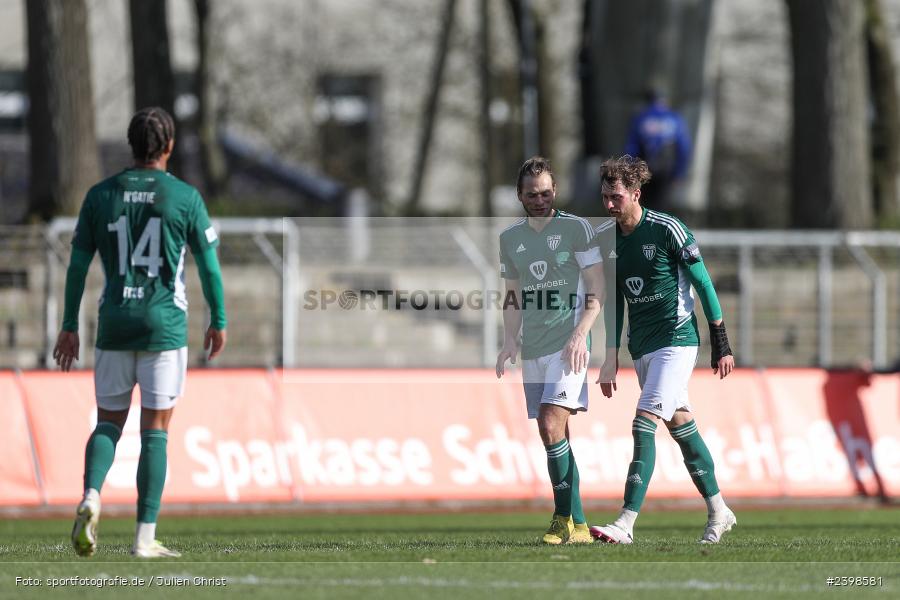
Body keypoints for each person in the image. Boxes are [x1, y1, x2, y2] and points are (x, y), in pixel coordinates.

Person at [53, 107, 227, 558]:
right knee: (156, 430)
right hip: (162, 326)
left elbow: (76, 265)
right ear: (168, 146)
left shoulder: (100, 195)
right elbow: (208, 266)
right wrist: (219, 318)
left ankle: (91, 496)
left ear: (132, 145)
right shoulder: (184, 197)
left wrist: (69, 324)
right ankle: (143, 538)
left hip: (114, 322)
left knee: (108, 422)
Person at [591, 155, 735, 544]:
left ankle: (624, 523)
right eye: (604, 196)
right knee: (681, 426)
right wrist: (611, 356)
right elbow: (616, 299)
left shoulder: (668, 229)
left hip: (677, 341)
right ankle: (720, 510)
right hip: (642, 348)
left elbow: (703, 283)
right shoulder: (608, 239)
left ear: (636, 194)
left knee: (643, 424)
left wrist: (720, 340)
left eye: (615, 197)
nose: (608, 205)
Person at [496, 156, 605, 544]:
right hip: (533, 350)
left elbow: (597, 287)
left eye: (545, 193)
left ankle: (561, 519)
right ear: (519, 196)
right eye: (531, 194)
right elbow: (512, 295)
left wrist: (581, 335)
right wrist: (510, 339)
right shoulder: (510, 239)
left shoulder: (576, 229)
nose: (539, 200)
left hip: (568, 347)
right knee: (557, 434)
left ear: (555, 191)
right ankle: (578, 525)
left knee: (548, 423)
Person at [623, 88, 692, 212]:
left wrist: (629, 172)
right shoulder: (674, 118)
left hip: (643, 169)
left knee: (642, 207)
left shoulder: (640, 118)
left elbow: (631, 148)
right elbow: (683, 148)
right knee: (661, 207)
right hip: (667, 171)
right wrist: (680, 172)